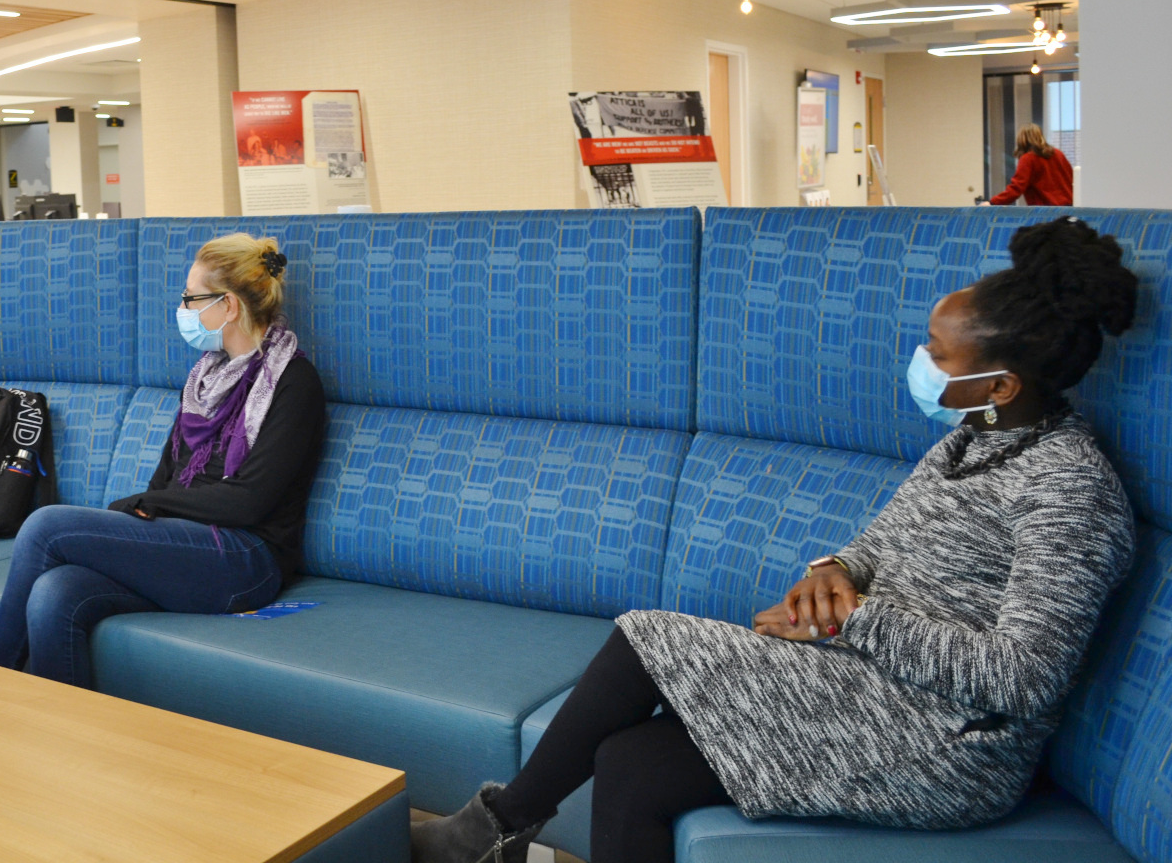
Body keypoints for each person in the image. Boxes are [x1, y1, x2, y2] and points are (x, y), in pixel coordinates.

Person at [414, 216, 1138, 863]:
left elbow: (1023, 678)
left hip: (947, 746)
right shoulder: (971, 441)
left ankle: (492, 831)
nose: (921, 362)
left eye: (937, 354)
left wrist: (851, 619)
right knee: (631, 760)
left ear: (1001, 384)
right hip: (873, 690)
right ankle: (497, 837)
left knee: (643, 637)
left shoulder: (1069, 488)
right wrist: (833, 570)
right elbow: (883, 541)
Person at [0, 234, 325, 688]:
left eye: (190, 298)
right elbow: (167, 477)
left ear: (227, 305)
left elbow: (248, 503)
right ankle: (65, 741)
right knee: (54, 593)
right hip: (186, 546)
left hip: (245, 558)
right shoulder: (205, 376)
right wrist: (152, 507)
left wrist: (153, 503)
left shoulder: (294, 381)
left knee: (46, 526)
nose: (183, 308)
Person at [987, 124, 1074, 206]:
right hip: (1069, 208)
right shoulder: (1059, 154)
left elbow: (1016, 188)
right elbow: (1071, 179)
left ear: (1022, 140)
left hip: (1045, 212)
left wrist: (992, 203)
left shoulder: (1028, 158)